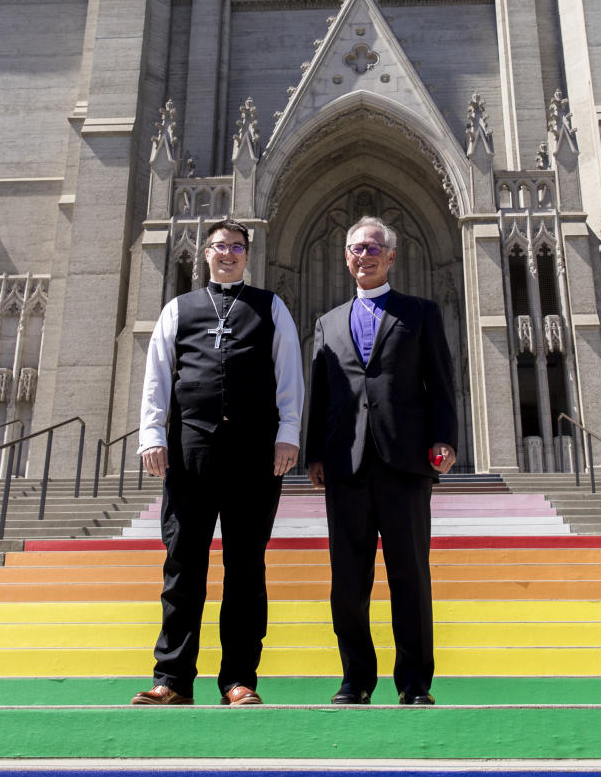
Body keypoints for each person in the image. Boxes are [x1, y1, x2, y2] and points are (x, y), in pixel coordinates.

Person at [131, 219, 303, 707]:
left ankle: (238, 679)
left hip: (253, 455)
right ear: (205, 253)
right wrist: (151, 434)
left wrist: (288, 434)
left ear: (247, 255)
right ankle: (172, 678)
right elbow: (157, 376)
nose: (227, 254)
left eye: (236, 247)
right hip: (191, 452)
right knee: (183, 565)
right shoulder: (177, 310)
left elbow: (288, 375)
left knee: (245, 569)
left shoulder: (271, 308)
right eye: (219, 246)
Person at [306, 215, 457, 707]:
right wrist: (313, 454)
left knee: (409, 574)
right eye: (355, 249)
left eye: (373, 248)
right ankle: (356, 679)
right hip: (345, 464)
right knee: (348, 579)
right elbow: (321, 394)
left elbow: (440, 383)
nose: (364, 255)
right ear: (345, 258)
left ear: (390, 256)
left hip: (405, 460)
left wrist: (445, 441)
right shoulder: (327, 322)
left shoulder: (420, 313)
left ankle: (414, 682)